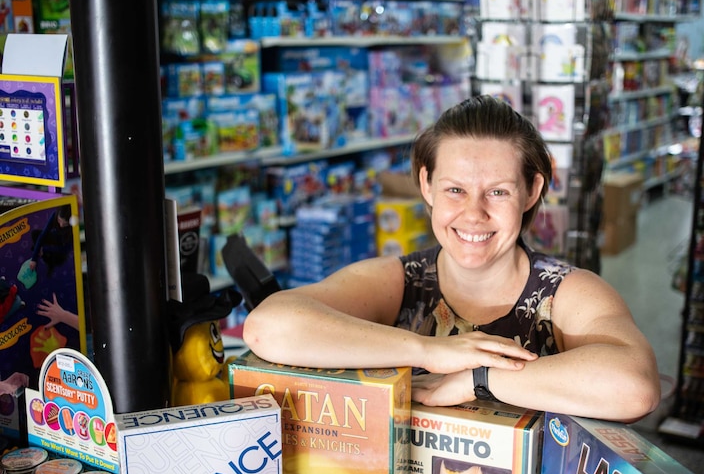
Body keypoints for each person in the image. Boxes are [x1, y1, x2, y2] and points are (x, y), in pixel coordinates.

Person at [243, 95, 660, 421]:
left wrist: (480, 380)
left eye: (498, 192)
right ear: (427, 185)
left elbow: (636, 386)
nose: (473, 214)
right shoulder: (400, 281)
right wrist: (427, 351)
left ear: (532, 191)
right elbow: (268, 327)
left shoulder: (566, 295)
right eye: (455, 190)